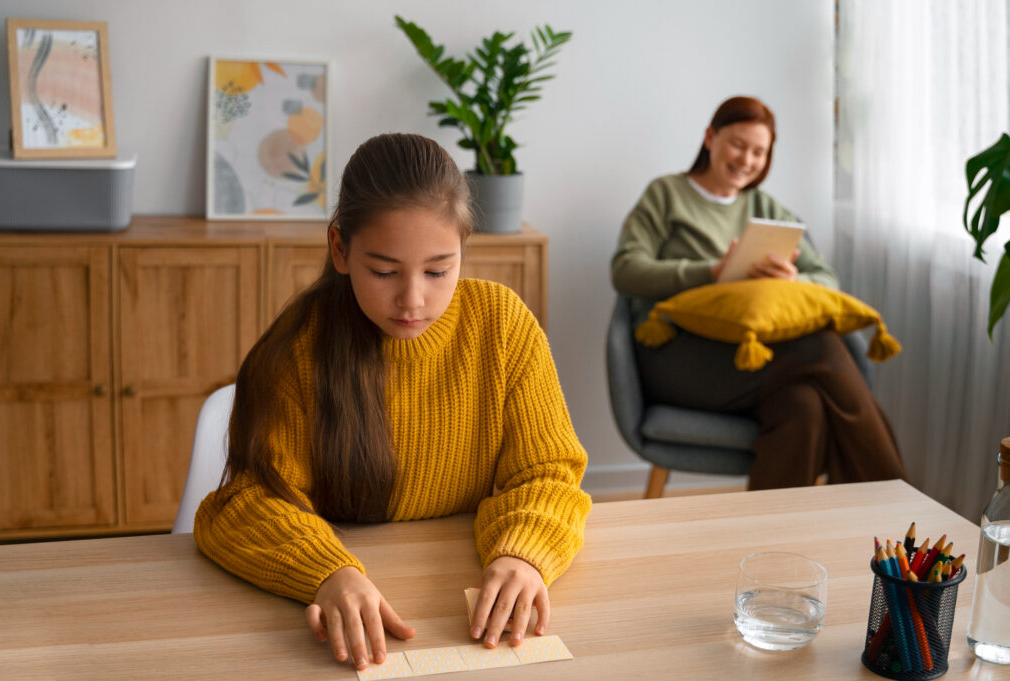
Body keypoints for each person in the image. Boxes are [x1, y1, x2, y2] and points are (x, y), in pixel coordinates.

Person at [195, 133, 591, 671]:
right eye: (384, 272)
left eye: (437, 270)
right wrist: (328, 573)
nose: (413, 299)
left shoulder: (503, 326)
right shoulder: (296, 351)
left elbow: (549, 473)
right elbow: (245, 504)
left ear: (463, 252)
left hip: (451, 614)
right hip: (343, 633)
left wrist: (523, 553)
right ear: (340, 249)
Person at [610, 96, 905, 489]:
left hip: (754, 359)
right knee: (819, 346)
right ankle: (891, 499)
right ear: (710, 137)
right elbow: (625, 270)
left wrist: (791, 281)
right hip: (676, 358)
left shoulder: (766, 207)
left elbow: (825, 278)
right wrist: (711, 273)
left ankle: (771, 544)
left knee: (805, 405)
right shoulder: (666, 195)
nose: (746, 160)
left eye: (759, 152)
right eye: (737, 144)